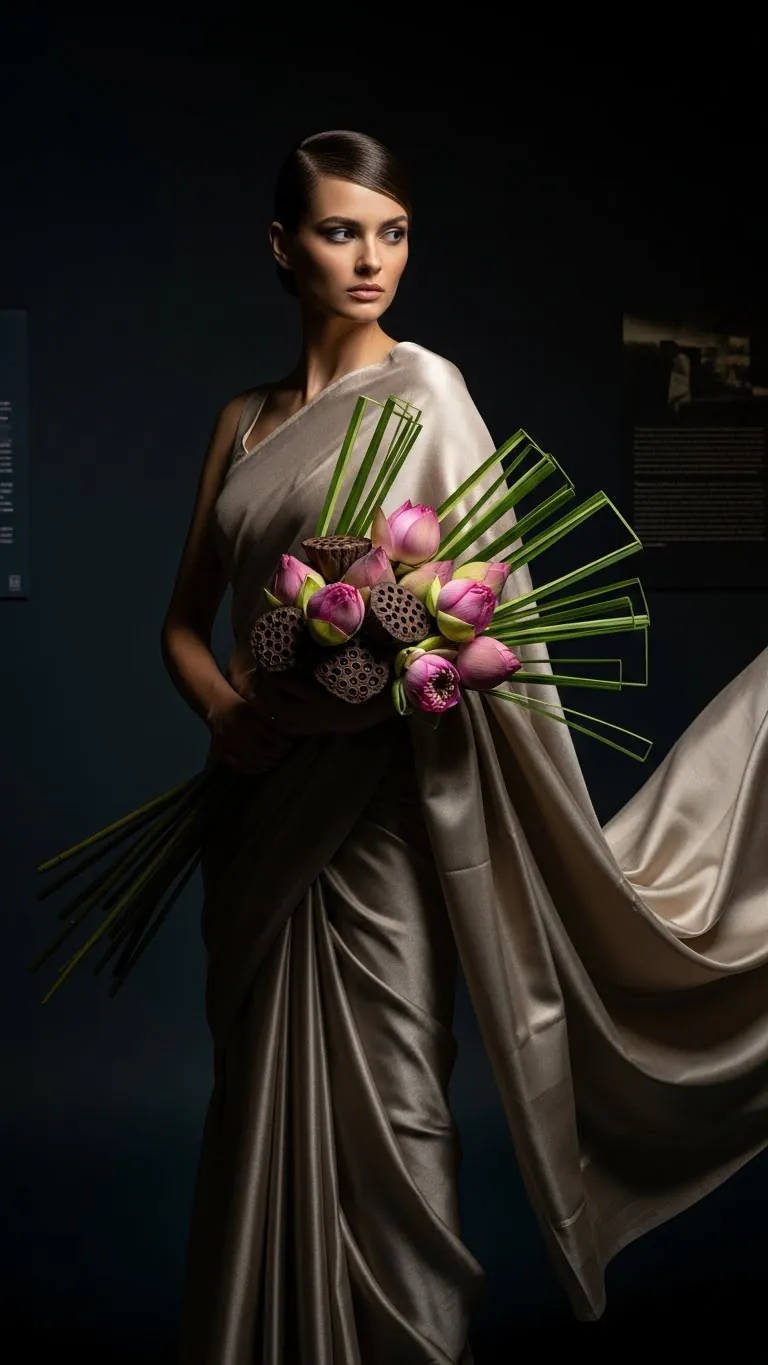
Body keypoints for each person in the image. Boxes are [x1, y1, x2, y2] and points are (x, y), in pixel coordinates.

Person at [162, 130, 768, 1364]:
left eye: (391, 233)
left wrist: (376, 672)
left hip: (380, 818)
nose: (371, 259)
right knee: (258, 1100)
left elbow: (500, 629)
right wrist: (230, 710)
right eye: (341, 231)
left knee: (394, 1104)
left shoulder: (431, 396)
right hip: (259, 817)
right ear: (284, 247)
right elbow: (181, 626)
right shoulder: (238, 421)